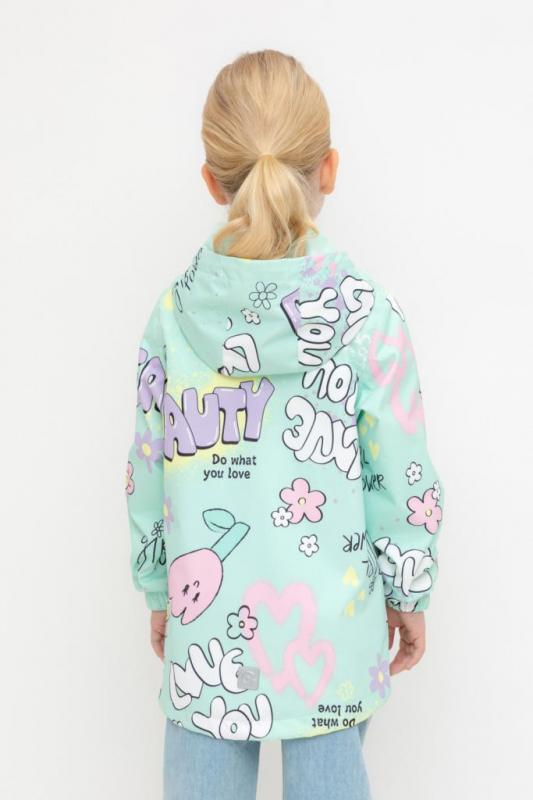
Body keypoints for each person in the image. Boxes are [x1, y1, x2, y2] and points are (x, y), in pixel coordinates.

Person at [124, 49, 444, 800]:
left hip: (207, 634)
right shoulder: (367, 316)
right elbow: (401, 475)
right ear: (328, 168)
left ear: (213, 181)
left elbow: (146, 469)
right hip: (331, 637)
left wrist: (159, 587)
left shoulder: (173, 316)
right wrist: (408, 589)